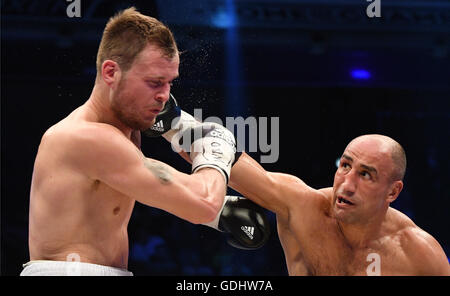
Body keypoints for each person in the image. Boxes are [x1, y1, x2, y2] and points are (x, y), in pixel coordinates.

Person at [21, 7, 269, 276]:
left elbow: (150, 186)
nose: (164, 95)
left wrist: (222, 213)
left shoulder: (125, 131)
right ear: (110, 73)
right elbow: (203, 203)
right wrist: (216, 150)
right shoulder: (88, 138)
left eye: (170, 83)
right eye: (154, 82)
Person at [153, 95, 450, 276]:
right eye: (345, 166)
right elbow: (227, 159)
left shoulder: (420, 255)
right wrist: (168, 120)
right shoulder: (304, 207)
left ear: (393, 191)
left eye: (366, 174)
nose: (346, 184)